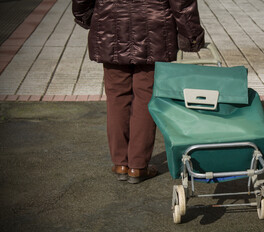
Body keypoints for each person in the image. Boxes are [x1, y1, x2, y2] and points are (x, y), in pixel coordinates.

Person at [72, 0, 205, 183]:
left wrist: (85, 15)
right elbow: (182, 3)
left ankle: (120, 163)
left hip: (111, 22)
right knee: (146, 97)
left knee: (116, 97)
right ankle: (137, 166)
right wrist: (192, 36)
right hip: (155, 29)